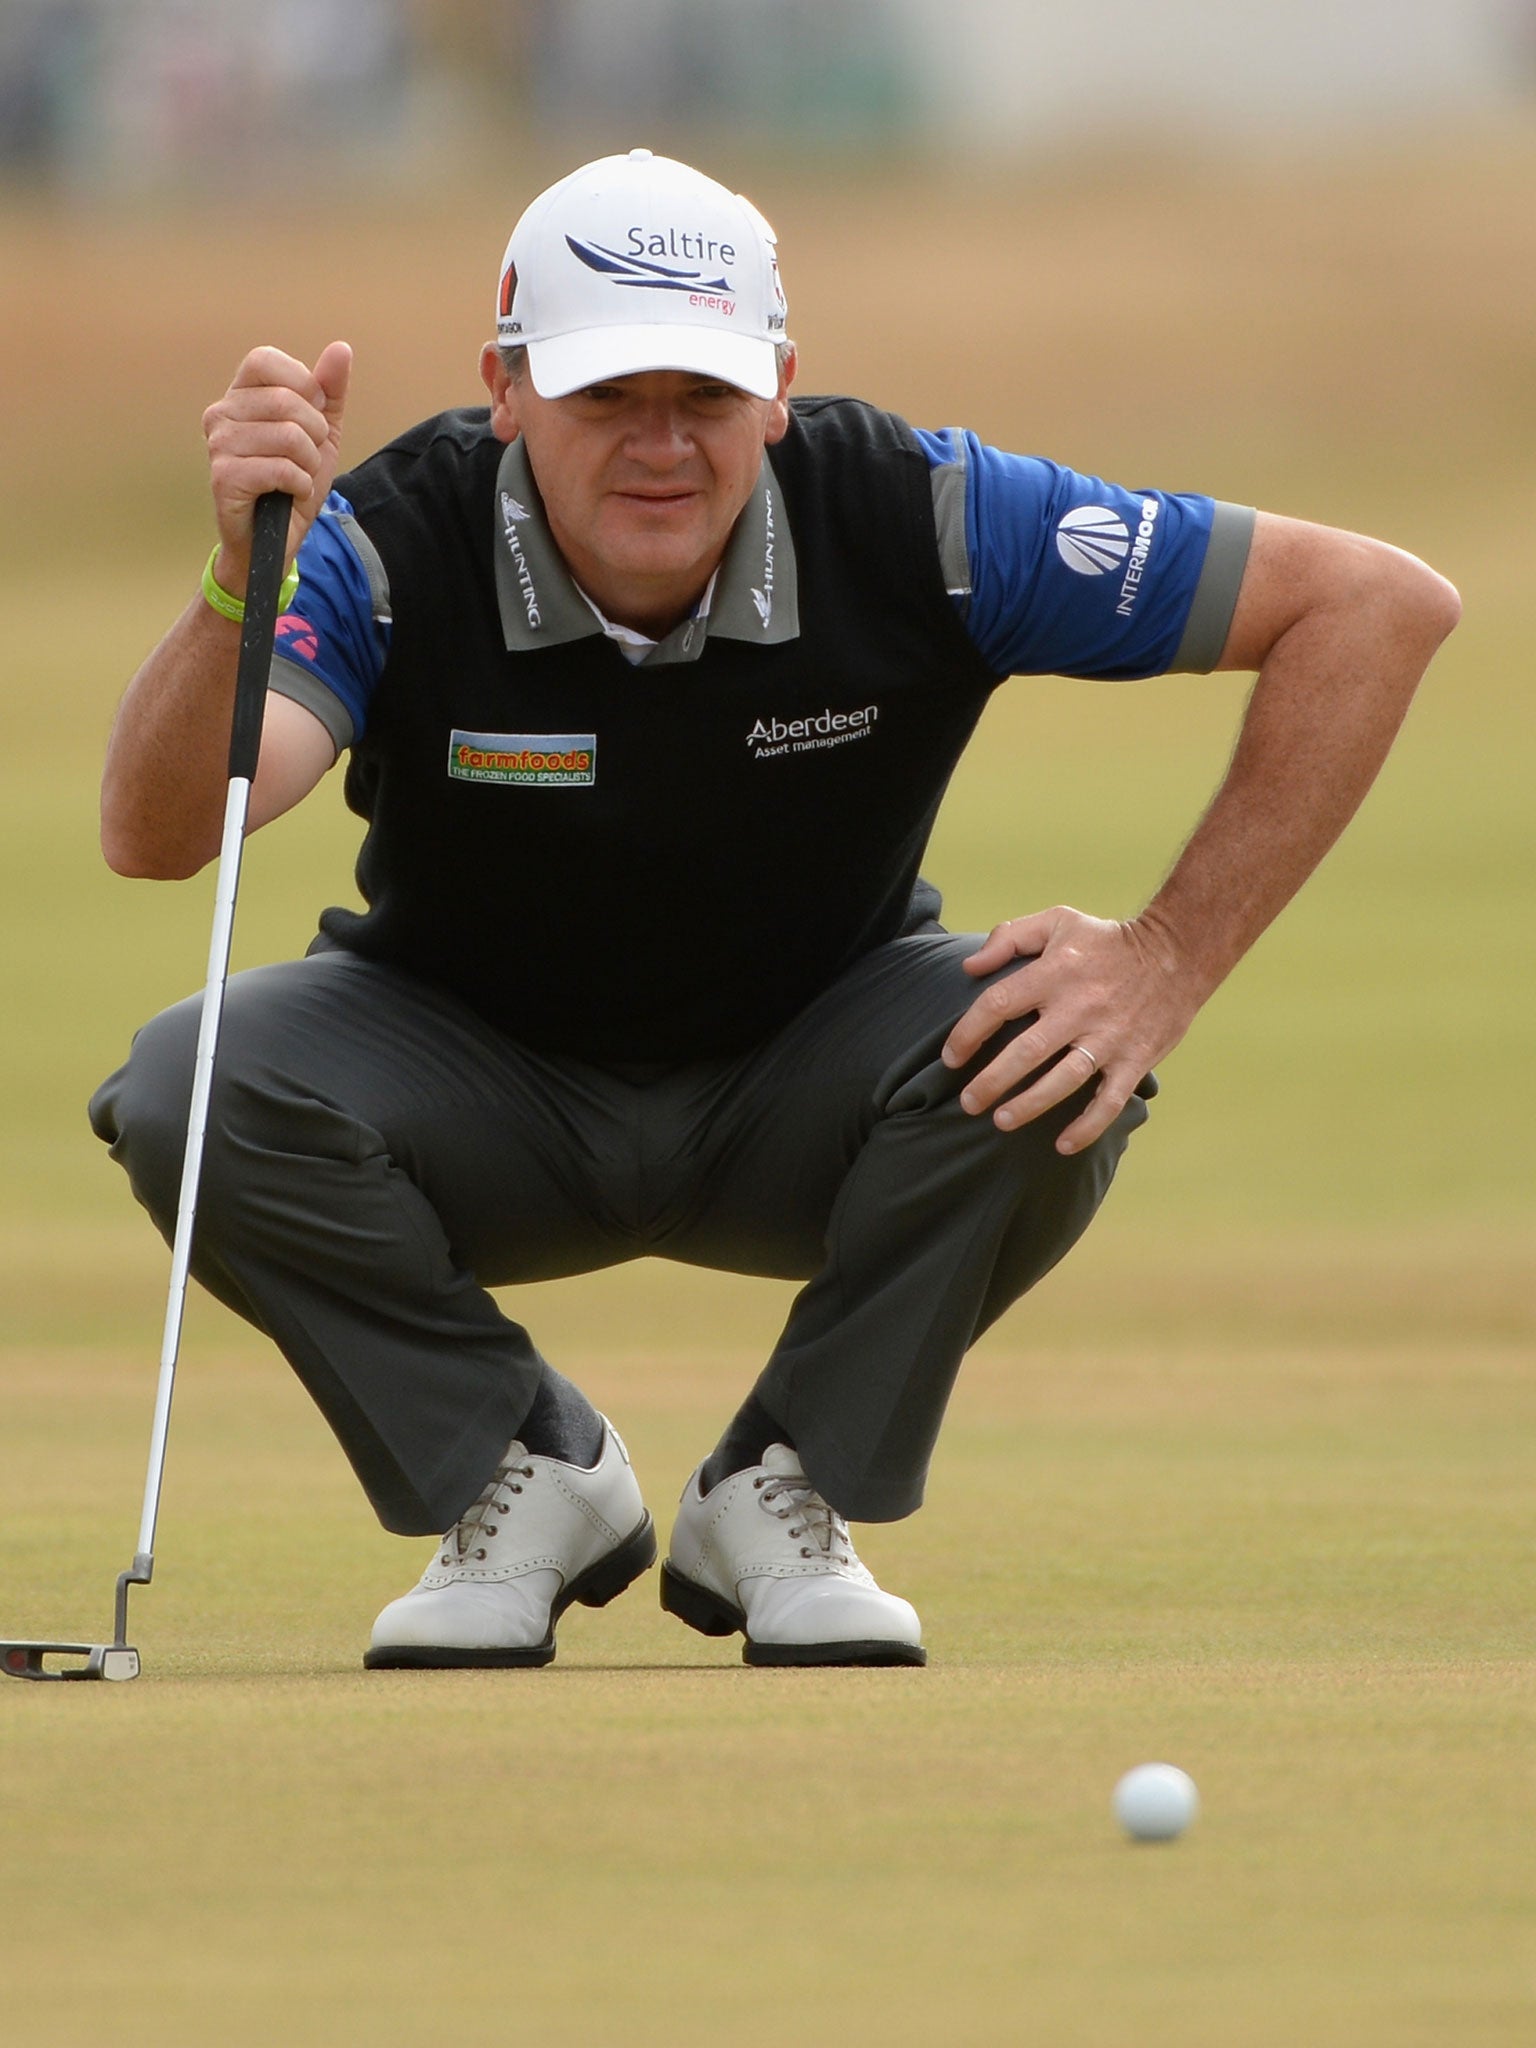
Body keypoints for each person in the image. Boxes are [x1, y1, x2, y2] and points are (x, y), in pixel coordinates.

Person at [91, 149, 1459, 1672]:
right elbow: (160, 834)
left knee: (1063, 1042)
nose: (663, 446)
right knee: (188, 1082)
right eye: (610, 397)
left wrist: (1165, 961)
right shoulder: (385, 542)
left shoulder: (925, 518)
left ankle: (779, 1489)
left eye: (707, 396)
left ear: (781, 388)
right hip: (471, 1079)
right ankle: (519, 1477)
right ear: (508, 386)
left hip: (811, 1077)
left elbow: (1377, 603)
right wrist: (235, 580)